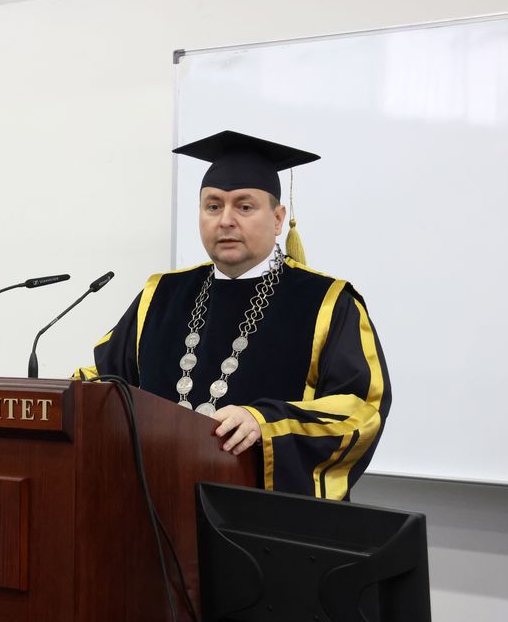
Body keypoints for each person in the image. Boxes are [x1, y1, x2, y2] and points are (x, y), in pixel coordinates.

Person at [78, 131, 390, 500]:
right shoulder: (161, 294)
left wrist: (266, 423)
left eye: (244, 207)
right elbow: (105, 380)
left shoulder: (327, 302)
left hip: (259, 517)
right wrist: (59, 400)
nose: (225, 220)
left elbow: (361, 411)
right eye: (213, 206)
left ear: (278, 219)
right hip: (154, 506)